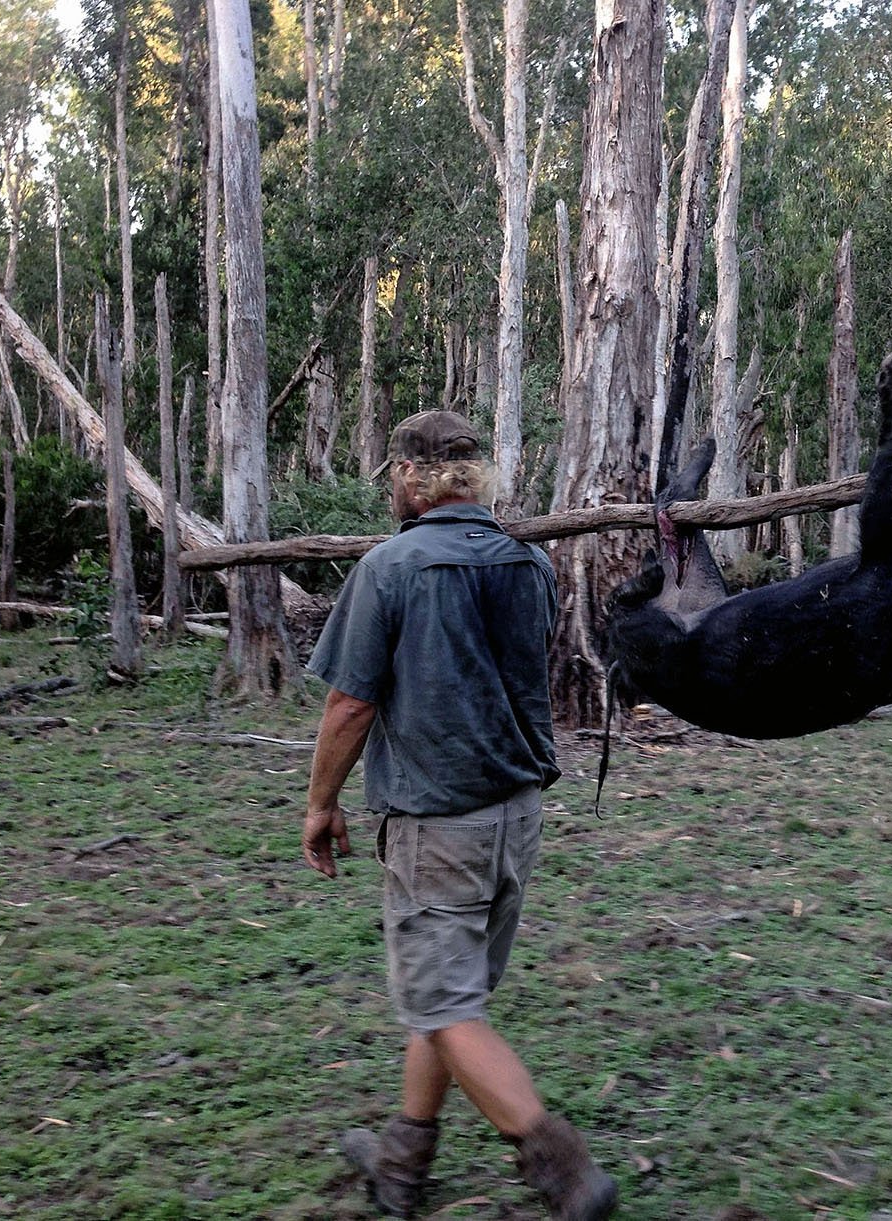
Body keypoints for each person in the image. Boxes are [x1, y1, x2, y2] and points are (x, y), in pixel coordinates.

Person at [301, 410, 617, 1221]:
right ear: (475, 479)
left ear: (409, 477)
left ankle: (564, 1168)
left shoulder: (391, 568)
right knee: (449, 997)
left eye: (394, 476)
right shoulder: (530, 564)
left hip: (438, 825)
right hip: (516, 815)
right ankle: (402, 1164)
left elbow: (349, 705)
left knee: (444, 1005)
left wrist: (320, 803)